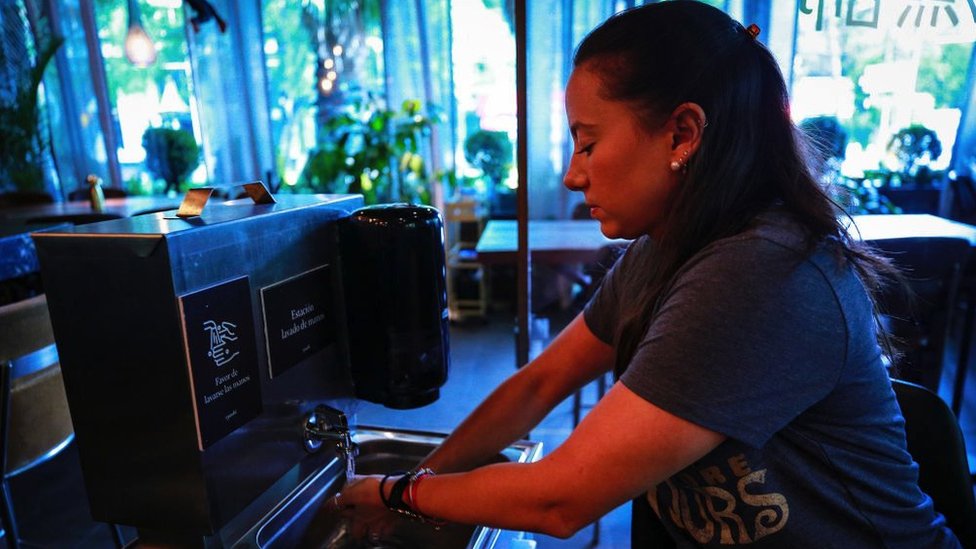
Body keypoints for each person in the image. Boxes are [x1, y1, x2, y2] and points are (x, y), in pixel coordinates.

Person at [337, 2, 962, 547]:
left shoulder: (761, 270)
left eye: (587, 142)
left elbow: (558, 501)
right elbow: (539, 384)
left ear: (683, 133)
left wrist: (396, 494)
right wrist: (425, 479)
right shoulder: (665, 249)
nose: (573, 175)